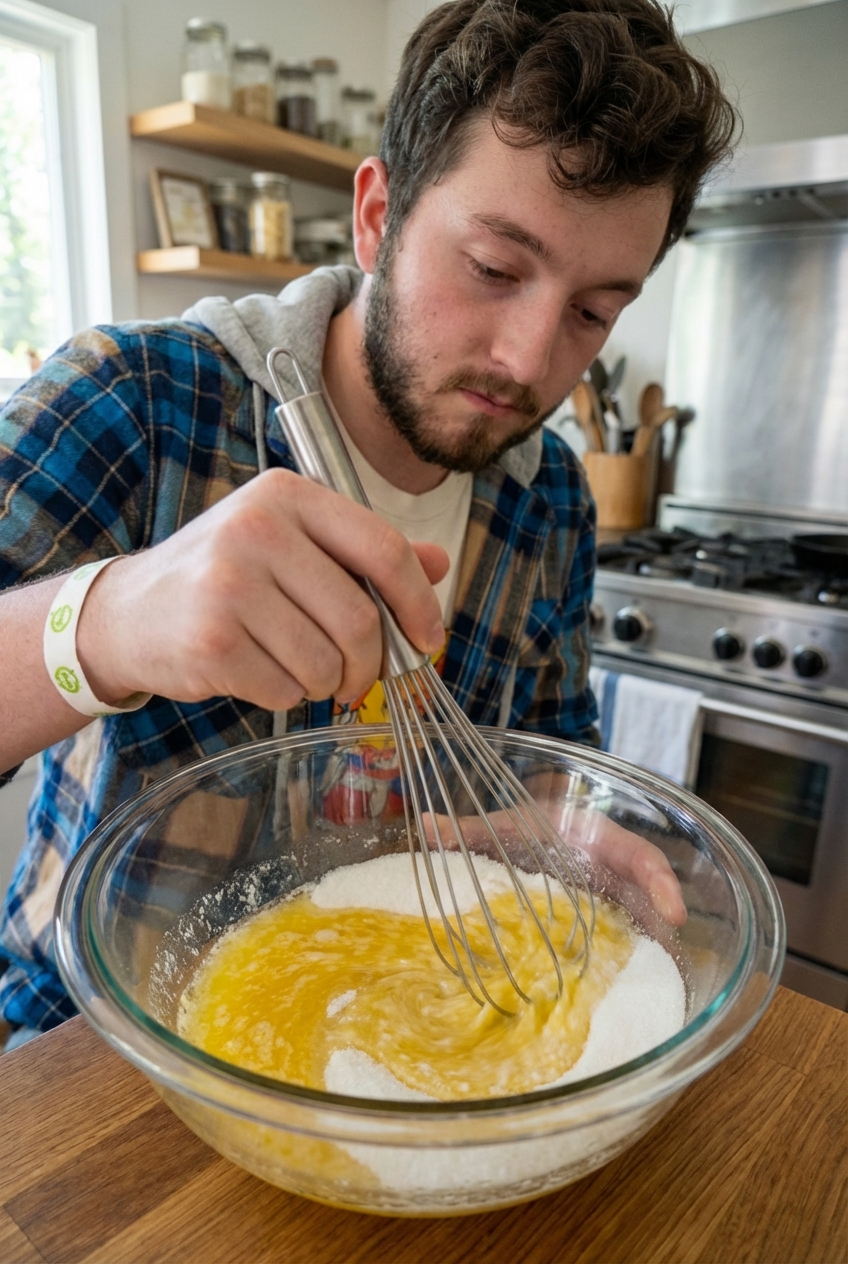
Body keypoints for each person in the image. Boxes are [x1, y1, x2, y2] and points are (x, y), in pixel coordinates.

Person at [0, 0, 737, 1043]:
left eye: (591, 312)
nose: (529, 362)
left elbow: (541, 756)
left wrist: (553, 828)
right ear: (377, 215)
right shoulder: (137, 403)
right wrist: (103, 624)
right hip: (94, 1057)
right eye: (492, 268)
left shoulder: (550, 500)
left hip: (413, 1046)